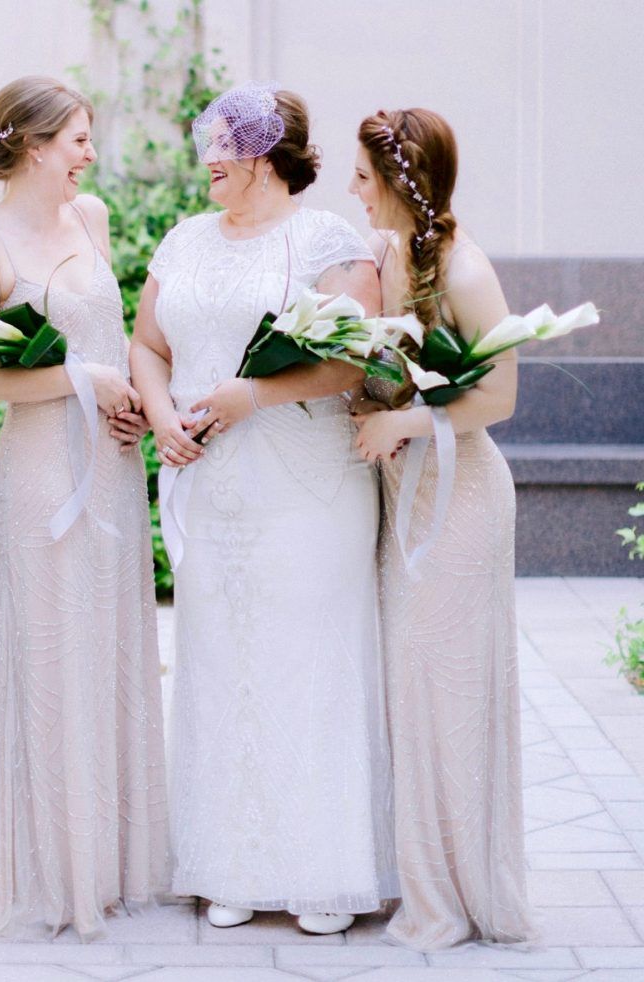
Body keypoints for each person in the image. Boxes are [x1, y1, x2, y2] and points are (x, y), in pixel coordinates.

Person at [130, 81, 397, 934]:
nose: (206, 160)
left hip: (306, 484)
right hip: (215, 490)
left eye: (221, 146)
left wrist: (256, 394)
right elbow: (148, 343)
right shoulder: (185, 237)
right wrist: (163, 415)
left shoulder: (327, 238)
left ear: (262, 155)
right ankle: (231, 863)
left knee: (308, 662)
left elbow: (358, 361)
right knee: (221, 663)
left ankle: (323, 872)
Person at [0, 77, 169, 939]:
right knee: (54, 664)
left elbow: (116, 344)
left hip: (110, 464)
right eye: (77, 137)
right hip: (41, 478)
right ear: (34, 145)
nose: (88, 152)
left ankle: (115, 865)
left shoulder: (95, 218)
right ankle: (60, 879)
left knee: (113, 654)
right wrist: (83, 380)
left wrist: (129, 402)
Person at [350, 108, 536, 949]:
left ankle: (466, 891)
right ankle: (425, 881)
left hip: (460, 504)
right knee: (411, 692)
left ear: (398, 181)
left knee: (454, 694)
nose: (353, 190)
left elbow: (497, 396)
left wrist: (410, 425)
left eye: (363, 176)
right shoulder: (386, 257)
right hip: (406, 498)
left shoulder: (466, 268)